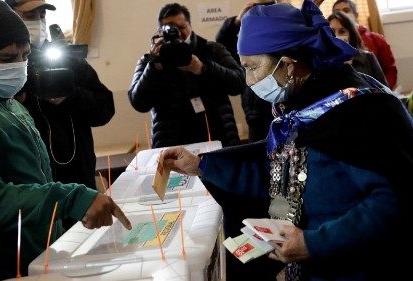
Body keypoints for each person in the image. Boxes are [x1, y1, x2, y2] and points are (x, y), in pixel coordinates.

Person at [162, 1, 413, 280]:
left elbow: (394, 199)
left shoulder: (362, 110)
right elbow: (277, 171)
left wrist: (312, 242)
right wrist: (200, 166)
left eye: (253, 67)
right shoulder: (298, 110)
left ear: (288, 64)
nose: (247, 79)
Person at [0, 1, 130, 280]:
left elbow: (34, 181)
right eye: (6, 59)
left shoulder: (9, 105)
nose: (18, 65)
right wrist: (70, 199)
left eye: (24, 55)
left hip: (34, 259)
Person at [6, 0, 115, 189]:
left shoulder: (69, 60)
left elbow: (105, 109)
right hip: (32, 182)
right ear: (9, 16)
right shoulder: (6, 67)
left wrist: (71, 96)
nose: (39, 22)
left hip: (79, 175)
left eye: (42, 15)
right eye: (31, 16)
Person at [128, 3, 245, 148]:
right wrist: (155, 66)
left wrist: (203, 68)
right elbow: (138, 102)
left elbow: (239, 82)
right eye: (171, 29)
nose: (178, 33)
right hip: (172, 143)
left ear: (190, 25)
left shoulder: (212, 50)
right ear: (160, 31)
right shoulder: (149, 61)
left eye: (182, 27)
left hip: (218, 137)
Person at [215, 1, 275, 142]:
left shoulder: (280, 44)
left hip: (279, 115)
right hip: (255, 121)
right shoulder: (247, 46)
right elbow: (223, 44)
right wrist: (236, 22)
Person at [333, 0, 398, 89]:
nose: (342, 14)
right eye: (337, 12)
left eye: (346, 10)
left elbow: (390, 69)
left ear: (356, 14)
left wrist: (383, 92)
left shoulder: (376, 39)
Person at [328, 11, 388, 86]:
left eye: (342, 31)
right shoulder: (322, 64)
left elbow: (384, 91)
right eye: (332, 32)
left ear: (351, 35)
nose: (336, 36)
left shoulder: (368, 58)